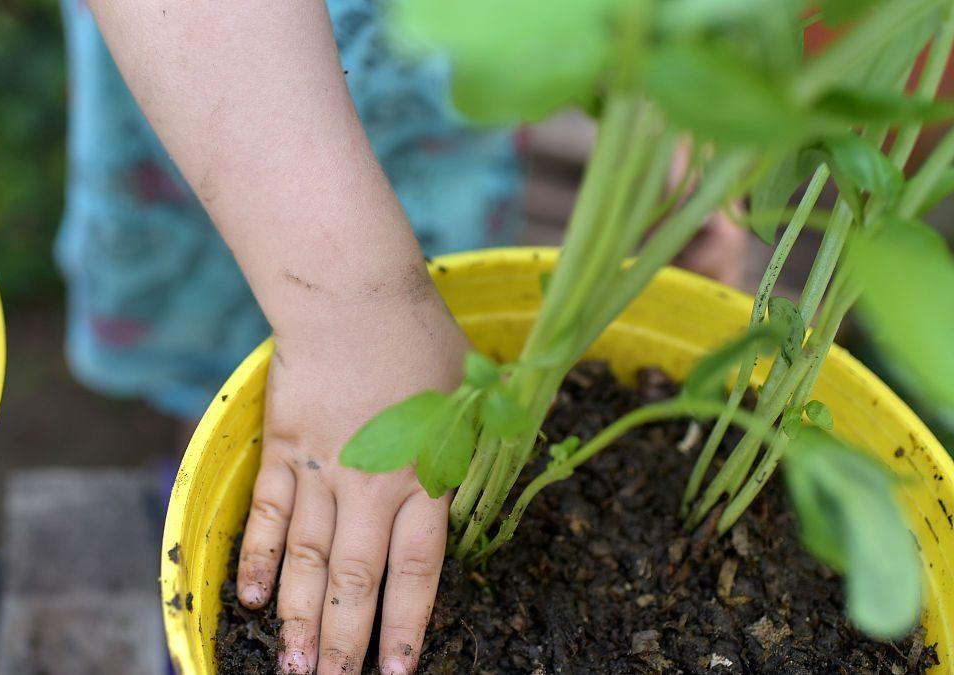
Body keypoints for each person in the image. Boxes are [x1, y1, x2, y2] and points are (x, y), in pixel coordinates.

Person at [59, 2, 746, 673]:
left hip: (437, 95)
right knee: (229, 362)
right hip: (214, 81)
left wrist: (679, 74)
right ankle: (232, 489)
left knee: (427, 316)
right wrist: (351, 305)